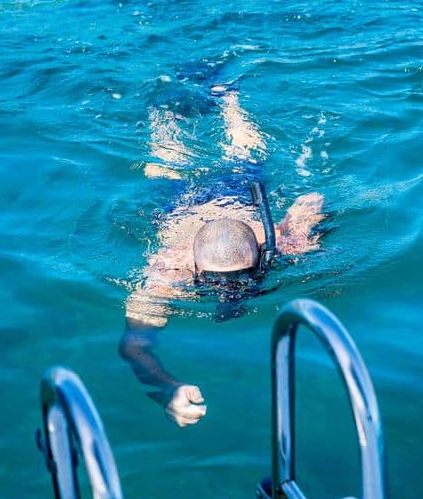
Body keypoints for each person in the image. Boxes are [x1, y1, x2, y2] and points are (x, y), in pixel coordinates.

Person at [120, 85, 325, 427]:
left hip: (242, 193)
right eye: (215, 281)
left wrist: (304, 233)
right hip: (183, 204)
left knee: (245, 151)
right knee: (166, 165)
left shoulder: (281, 241)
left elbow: (313, 198)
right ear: (195, 266)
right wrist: (166, 388)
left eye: (240, 279)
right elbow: (133, 346)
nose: (227, 291)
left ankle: (229, 99)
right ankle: (164, 108)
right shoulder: (170, 268)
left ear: (262, 256)